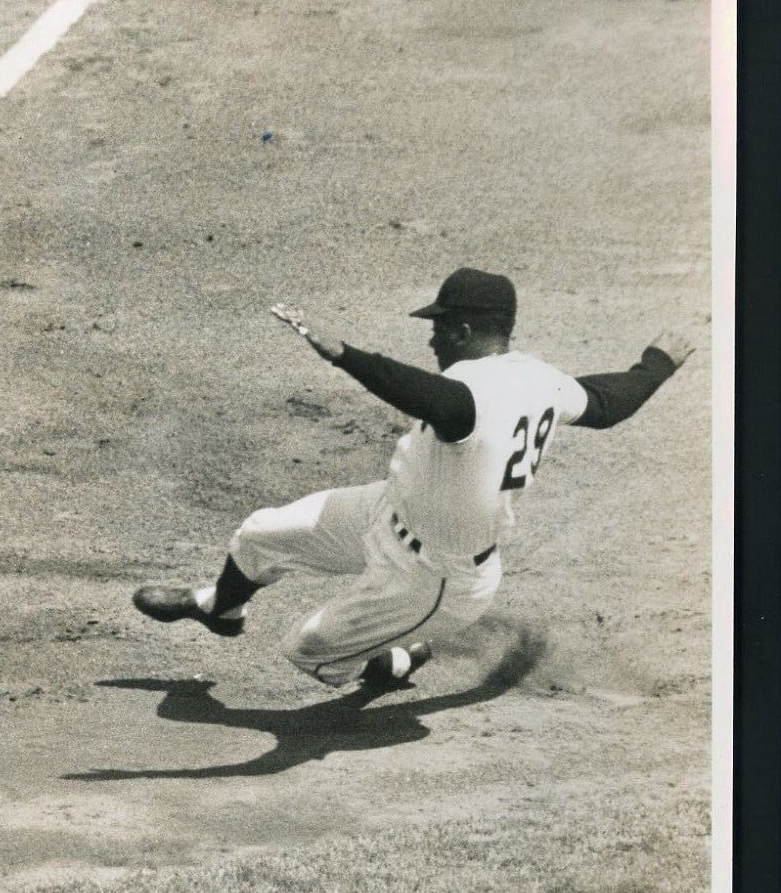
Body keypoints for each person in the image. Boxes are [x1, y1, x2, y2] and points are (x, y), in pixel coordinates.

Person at [132, 268, 694, 690]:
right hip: (389, 511)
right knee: (260, 534)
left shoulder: (473, 393)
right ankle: (219, 609)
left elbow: (423, 393)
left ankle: (402, 656)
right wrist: (658, 362)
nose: (431, 341)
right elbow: (608, 401)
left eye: (439, 329)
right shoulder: (541, 379)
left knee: (310, 653)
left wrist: (344, 354)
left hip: (434, 576)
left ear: (466, 329)